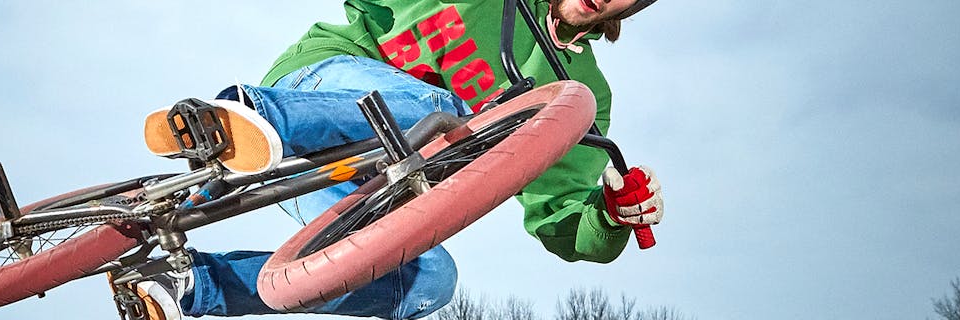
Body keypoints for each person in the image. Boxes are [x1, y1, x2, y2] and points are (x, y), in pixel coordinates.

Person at [121, 0, 664, 319]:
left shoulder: (582, 91)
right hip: (323, 83)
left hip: (370, 178)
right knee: (442, 109)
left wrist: (610, 215)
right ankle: (237, 118)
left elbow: (562, 214)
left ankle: (189, 284)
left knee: (430, 279)